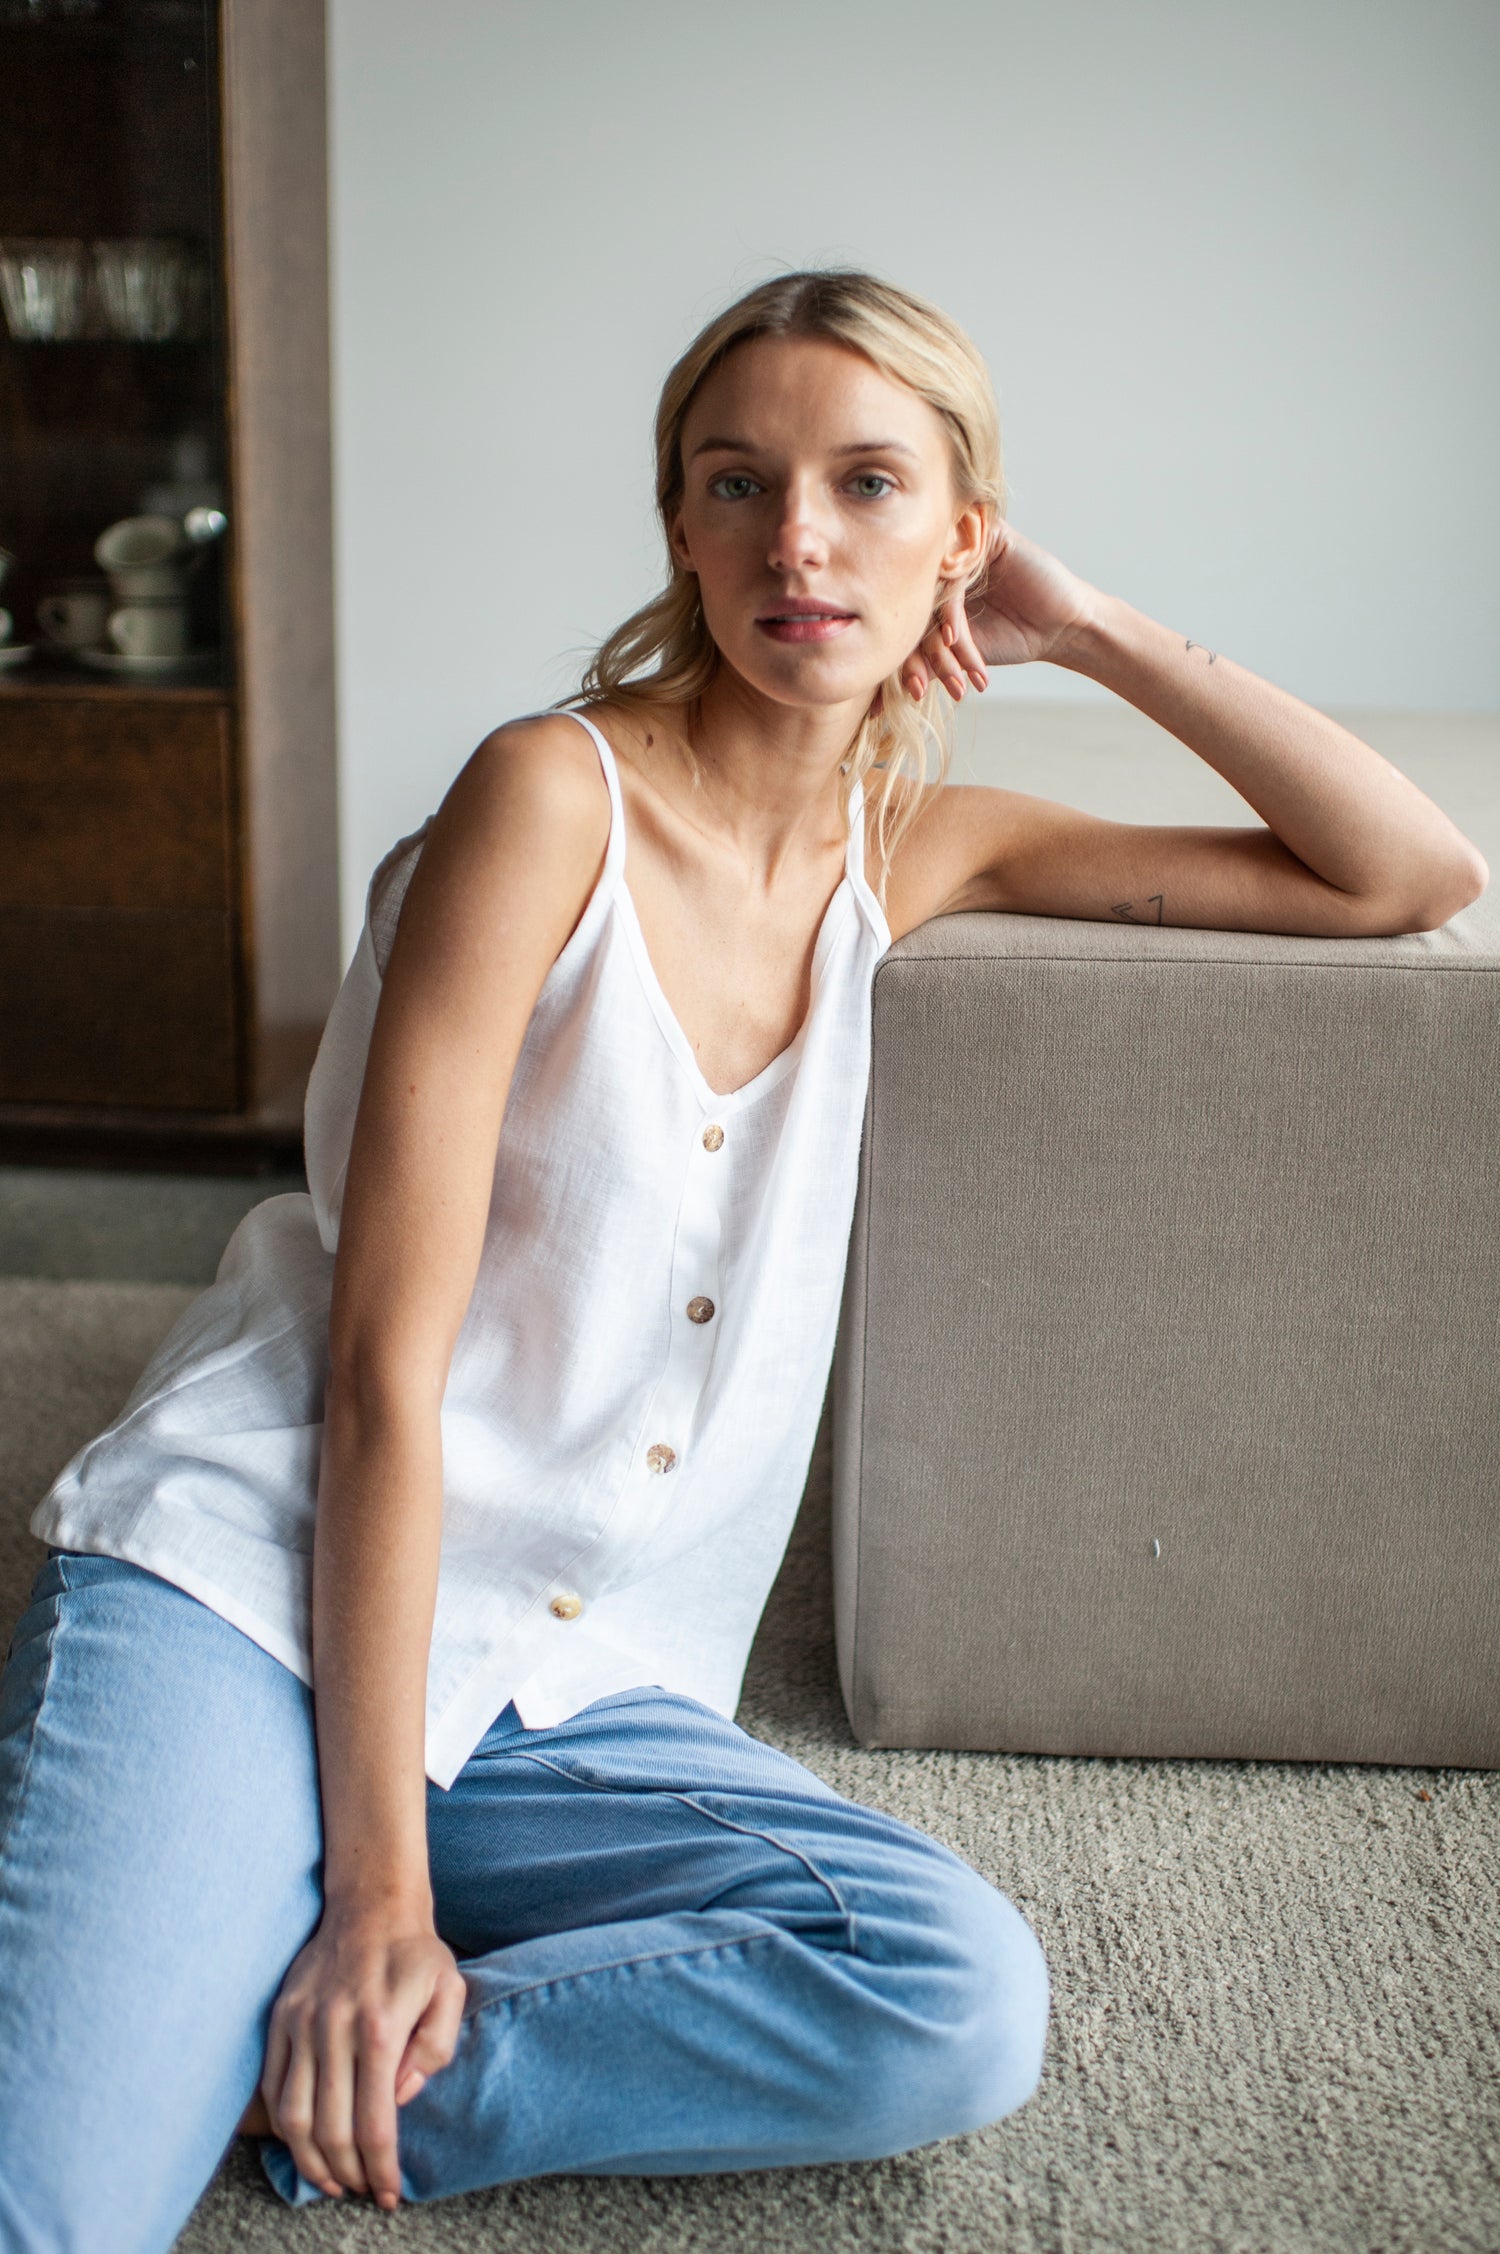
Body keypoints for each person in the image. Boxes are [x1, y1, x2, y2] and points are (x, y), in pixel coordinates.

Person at [0, 267, 1486, 2251]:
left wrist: (1094, 626)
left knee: (950, 1991)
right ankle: (257, 1932)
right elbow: (376, 1376)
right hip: (266, 1584)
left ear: (966, 532)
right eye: (736, 480)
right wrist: (379, 1895)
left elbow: (1408, 871)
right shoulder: (546, 797)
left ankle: (335, 2074)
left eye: (869, 482)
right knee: (54, 2202)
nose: (796, 535)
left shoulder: (919, 851)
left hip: (567, 1677)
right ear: (680, 523)